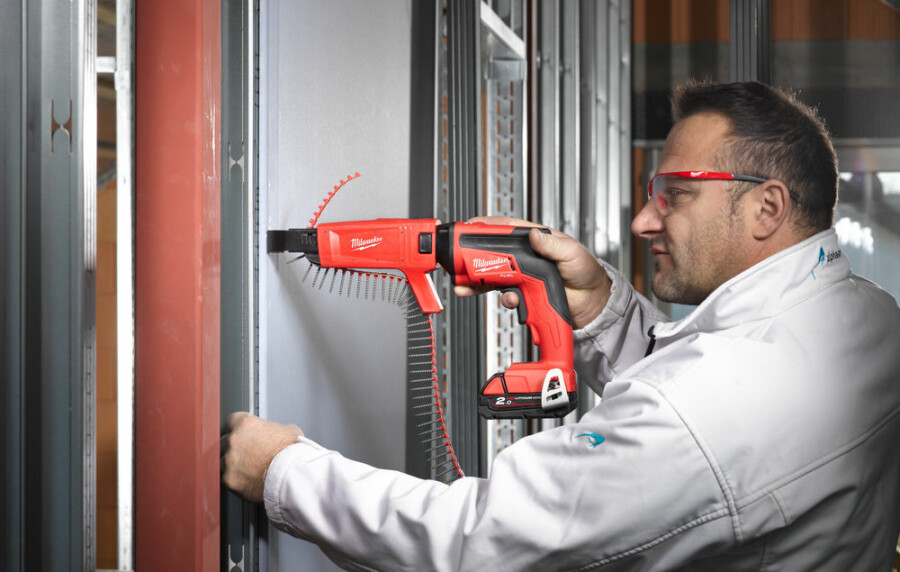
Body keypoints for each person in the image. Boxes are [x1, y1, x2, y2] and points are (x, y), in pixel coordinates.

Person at [222, 81, 900, 570]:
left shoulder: (707, 414)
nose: (643, 221)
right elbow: (706, 425)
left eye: (676, 195)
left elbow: (478, 540)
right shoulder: (868, 317)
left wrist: (283, 472)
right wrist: (603, 306)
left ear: (767, 208)